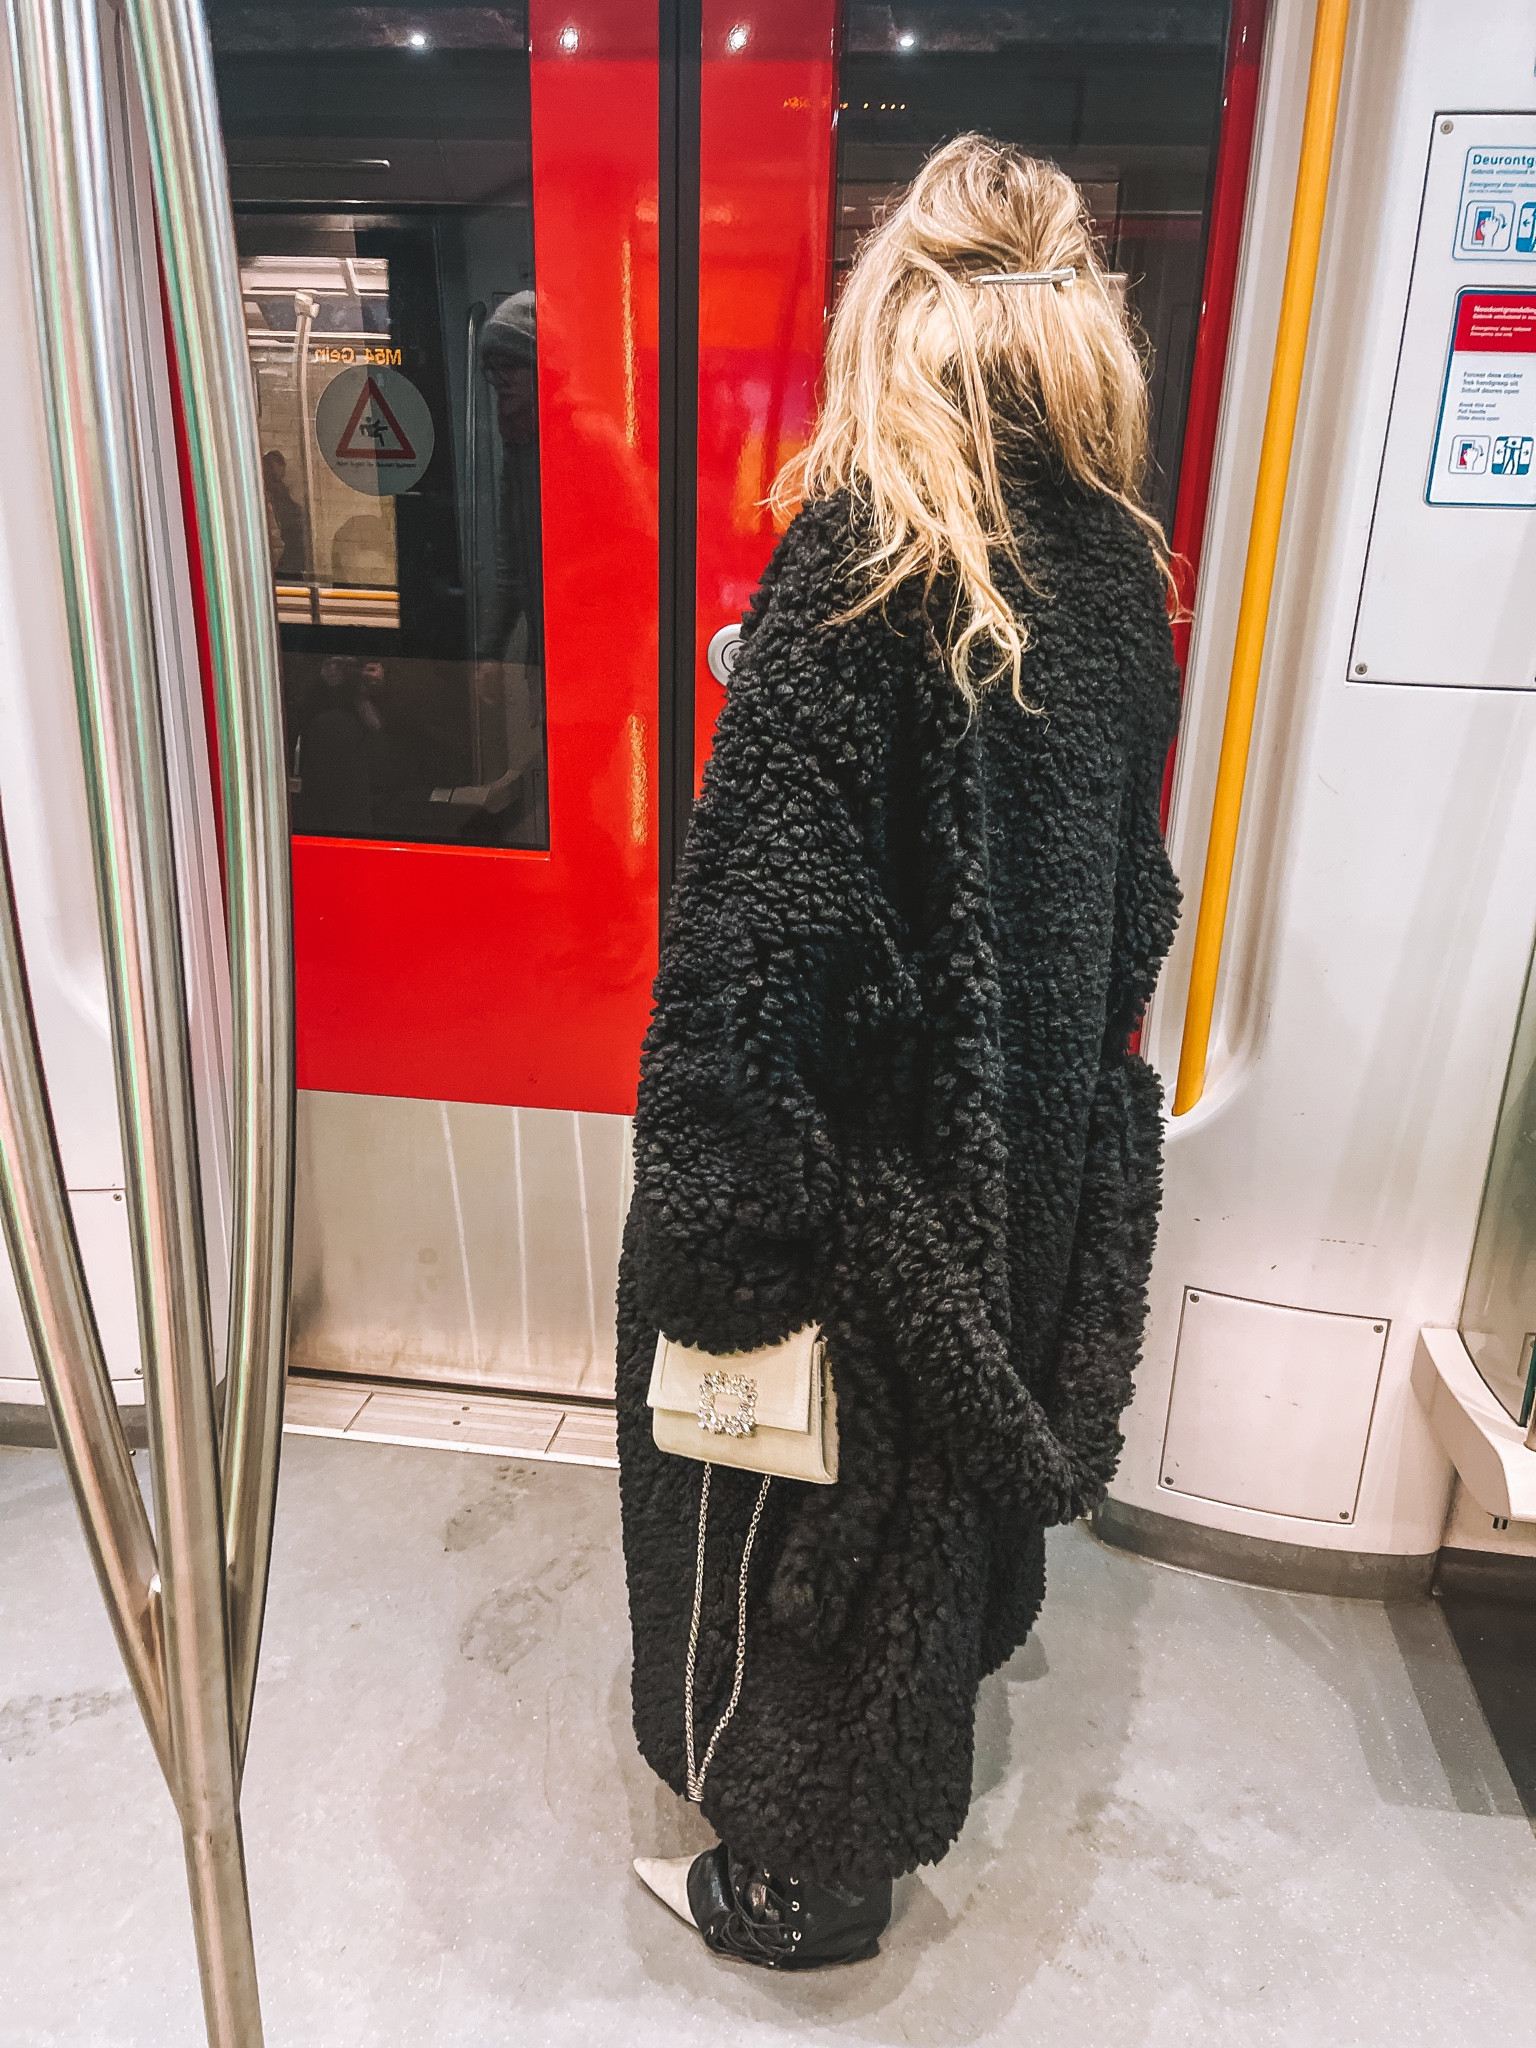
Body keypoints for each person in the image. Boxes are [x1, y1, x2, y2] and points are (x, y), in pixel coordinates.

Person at [616, 135, 1182, 1969]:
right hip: (1016, 1168)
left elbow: (752, 944)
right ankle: (897, 1764)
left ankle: (798, 1874)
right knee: (935, 1524)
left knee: (803, 1534)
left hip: (861, 1202)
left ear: (898, 317)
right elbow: (1136, 900)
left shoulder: (856, 563)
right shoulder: (1115, 576)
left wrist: (714, 1242)